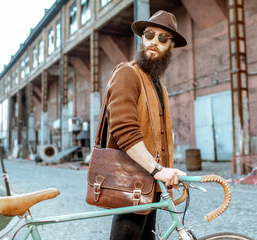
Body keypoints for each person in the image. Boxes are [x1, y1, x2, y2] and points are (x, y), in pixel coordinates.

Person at [105, 10, 187, 240]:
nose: (154, 42)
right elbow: (124, 131)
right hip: (130, 185)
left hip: (151, 186)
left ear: (170, 46)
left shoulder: (159, 88)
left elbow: (160, 139)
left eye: (163, 38)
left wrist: (166, 177)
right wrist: (159, 170)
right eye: (150, 34)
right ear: (142, 38)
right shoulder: (127, 74)